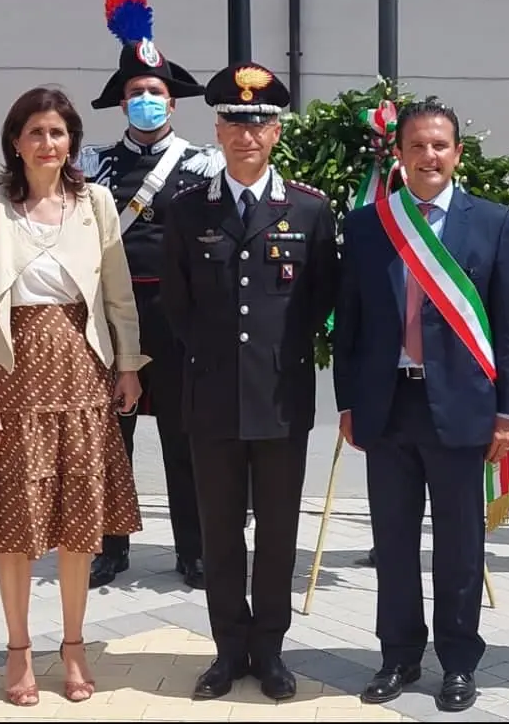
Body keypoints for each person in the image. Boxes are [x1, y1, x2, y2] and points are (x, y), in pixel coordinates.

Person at [332, 99, 509, 713]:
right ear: (400, 154)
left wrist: (508, 412)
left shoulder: (490, 222)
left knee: (460, 544)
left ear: (457, 154)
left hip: (463, 409)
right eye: (416, 146)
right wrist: (347, 404)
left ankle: (459, 663)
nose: (429, 156)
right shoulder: (369, 225)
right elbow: (352, 326)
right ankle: (398, 656)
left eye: (439, 145)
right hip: (389, 406)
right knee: (391, 541)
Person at [0, 86, 146, 706]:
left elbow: (118, 294)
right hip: (14, 376)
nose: (46, 143)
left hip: (82, 372)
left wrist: (128, 365)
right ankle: (18, 649)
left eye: (57, 132)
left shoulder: (96, 204)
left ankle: (73, 644)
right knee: (17, 521)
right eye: (35, 132)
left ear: (72, 142)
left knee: (78, 522)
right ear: (16, 140)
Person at [161, 63, 339, 701]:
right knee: (219, 532)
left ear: (276, 133)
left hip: (281, 398)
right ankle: (226, 650)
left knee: (278, 532)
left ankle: (270, 651)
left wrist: (273, 356)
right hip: (210, 397)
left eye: (259, 123)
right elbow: (176, 306)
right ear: (217, 129)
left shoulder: (310, 211)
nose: (246, 134)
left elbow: (319, 301)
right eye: (235, 122)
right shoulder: (184, 210)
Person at [78, 0, 221, 591]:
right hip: (112, 313)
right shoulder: (92, 164)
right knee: (112, 438)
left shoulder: (203, 163)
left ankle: (194, 549)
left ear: (173, 101)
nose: (146, 100)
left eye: (155, 92)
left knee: (184, 438)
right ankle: (110, 547)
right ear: (122, 102)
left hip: (179, 313)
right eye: (136, 92)